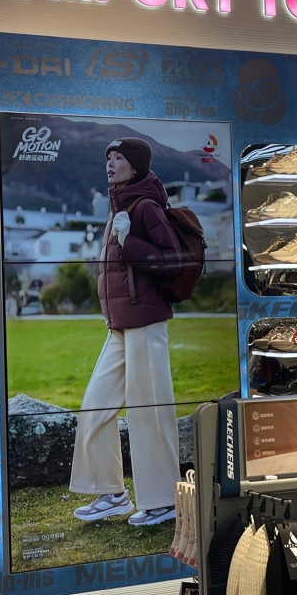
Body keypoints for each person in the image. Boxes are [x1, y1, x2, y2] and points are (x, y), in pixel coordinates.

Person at [69, 137, 181, 526]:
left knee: (149, 414)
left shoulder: (145, 206)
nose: (111, 163)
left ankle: (164, 501)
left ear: (135, 166)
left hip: (145, 323)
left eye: (119, 158)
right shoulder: (119, 206)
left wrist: (128, 241)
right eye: (109, 157)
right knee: (94, 406)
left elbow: (174, 261)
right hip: (119, 326)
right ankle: (112, 493)